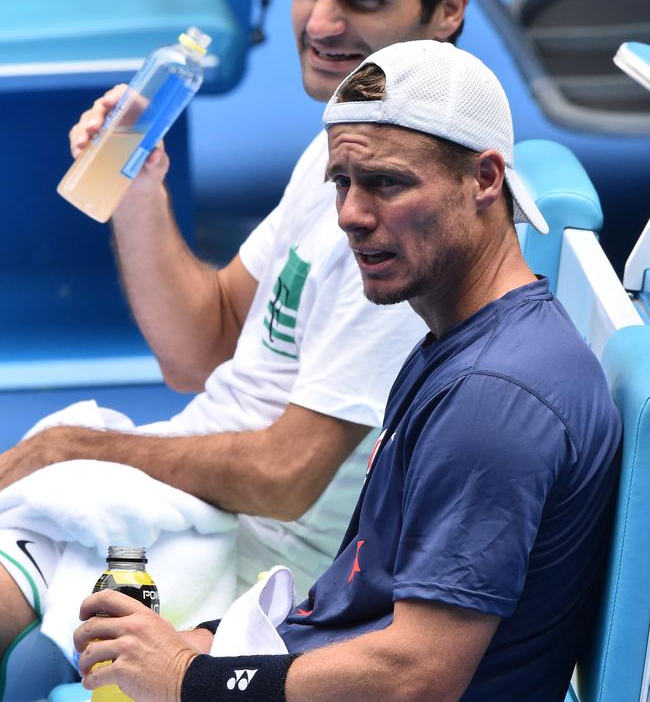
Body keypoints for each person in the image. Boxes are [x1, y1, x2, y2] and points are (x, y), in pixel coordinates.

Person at [0, 0, 488, 699]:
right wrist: (138, 195)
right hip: (186, 486)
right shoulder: (338, 143)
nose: (322, 22)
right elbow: (204, 347)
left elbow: (286, 478)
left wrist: (75, 447)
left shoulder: (407, 224)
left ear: (447, 7)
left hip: (246, 558)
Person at [73, 40, 622, 702]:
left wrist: (197, 680)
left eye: (387, 183)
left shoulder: (494, 396)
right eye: (343, 182)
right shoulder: (457, 341)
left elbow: (415, 674)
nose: (351, 216)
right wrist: (214, 644)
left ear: (484, 179)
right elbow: (367, 597)